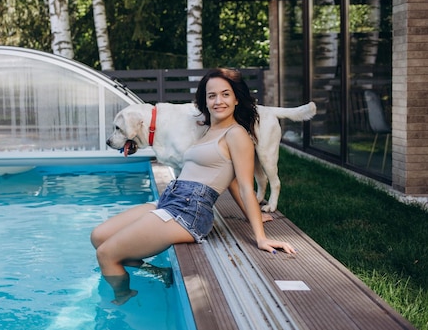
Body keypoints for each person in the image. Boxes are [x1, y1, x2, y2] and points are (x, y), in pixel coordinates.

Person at [90, 68, 297, 305]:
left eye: (225, 94)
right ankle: (157, 273)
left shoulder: (237, 134)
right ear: (205, 101)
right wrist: (255, 215)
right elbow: (229, 181)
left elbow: (244, 185)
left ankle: (121, 303)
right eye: (212, 96)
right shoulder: (209, 129)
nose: (218, 101)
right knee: (98, 237)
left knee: (106, 254)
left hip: (189, 211)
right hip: (172, 199)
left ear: (236, 99)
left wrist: (260, 235)